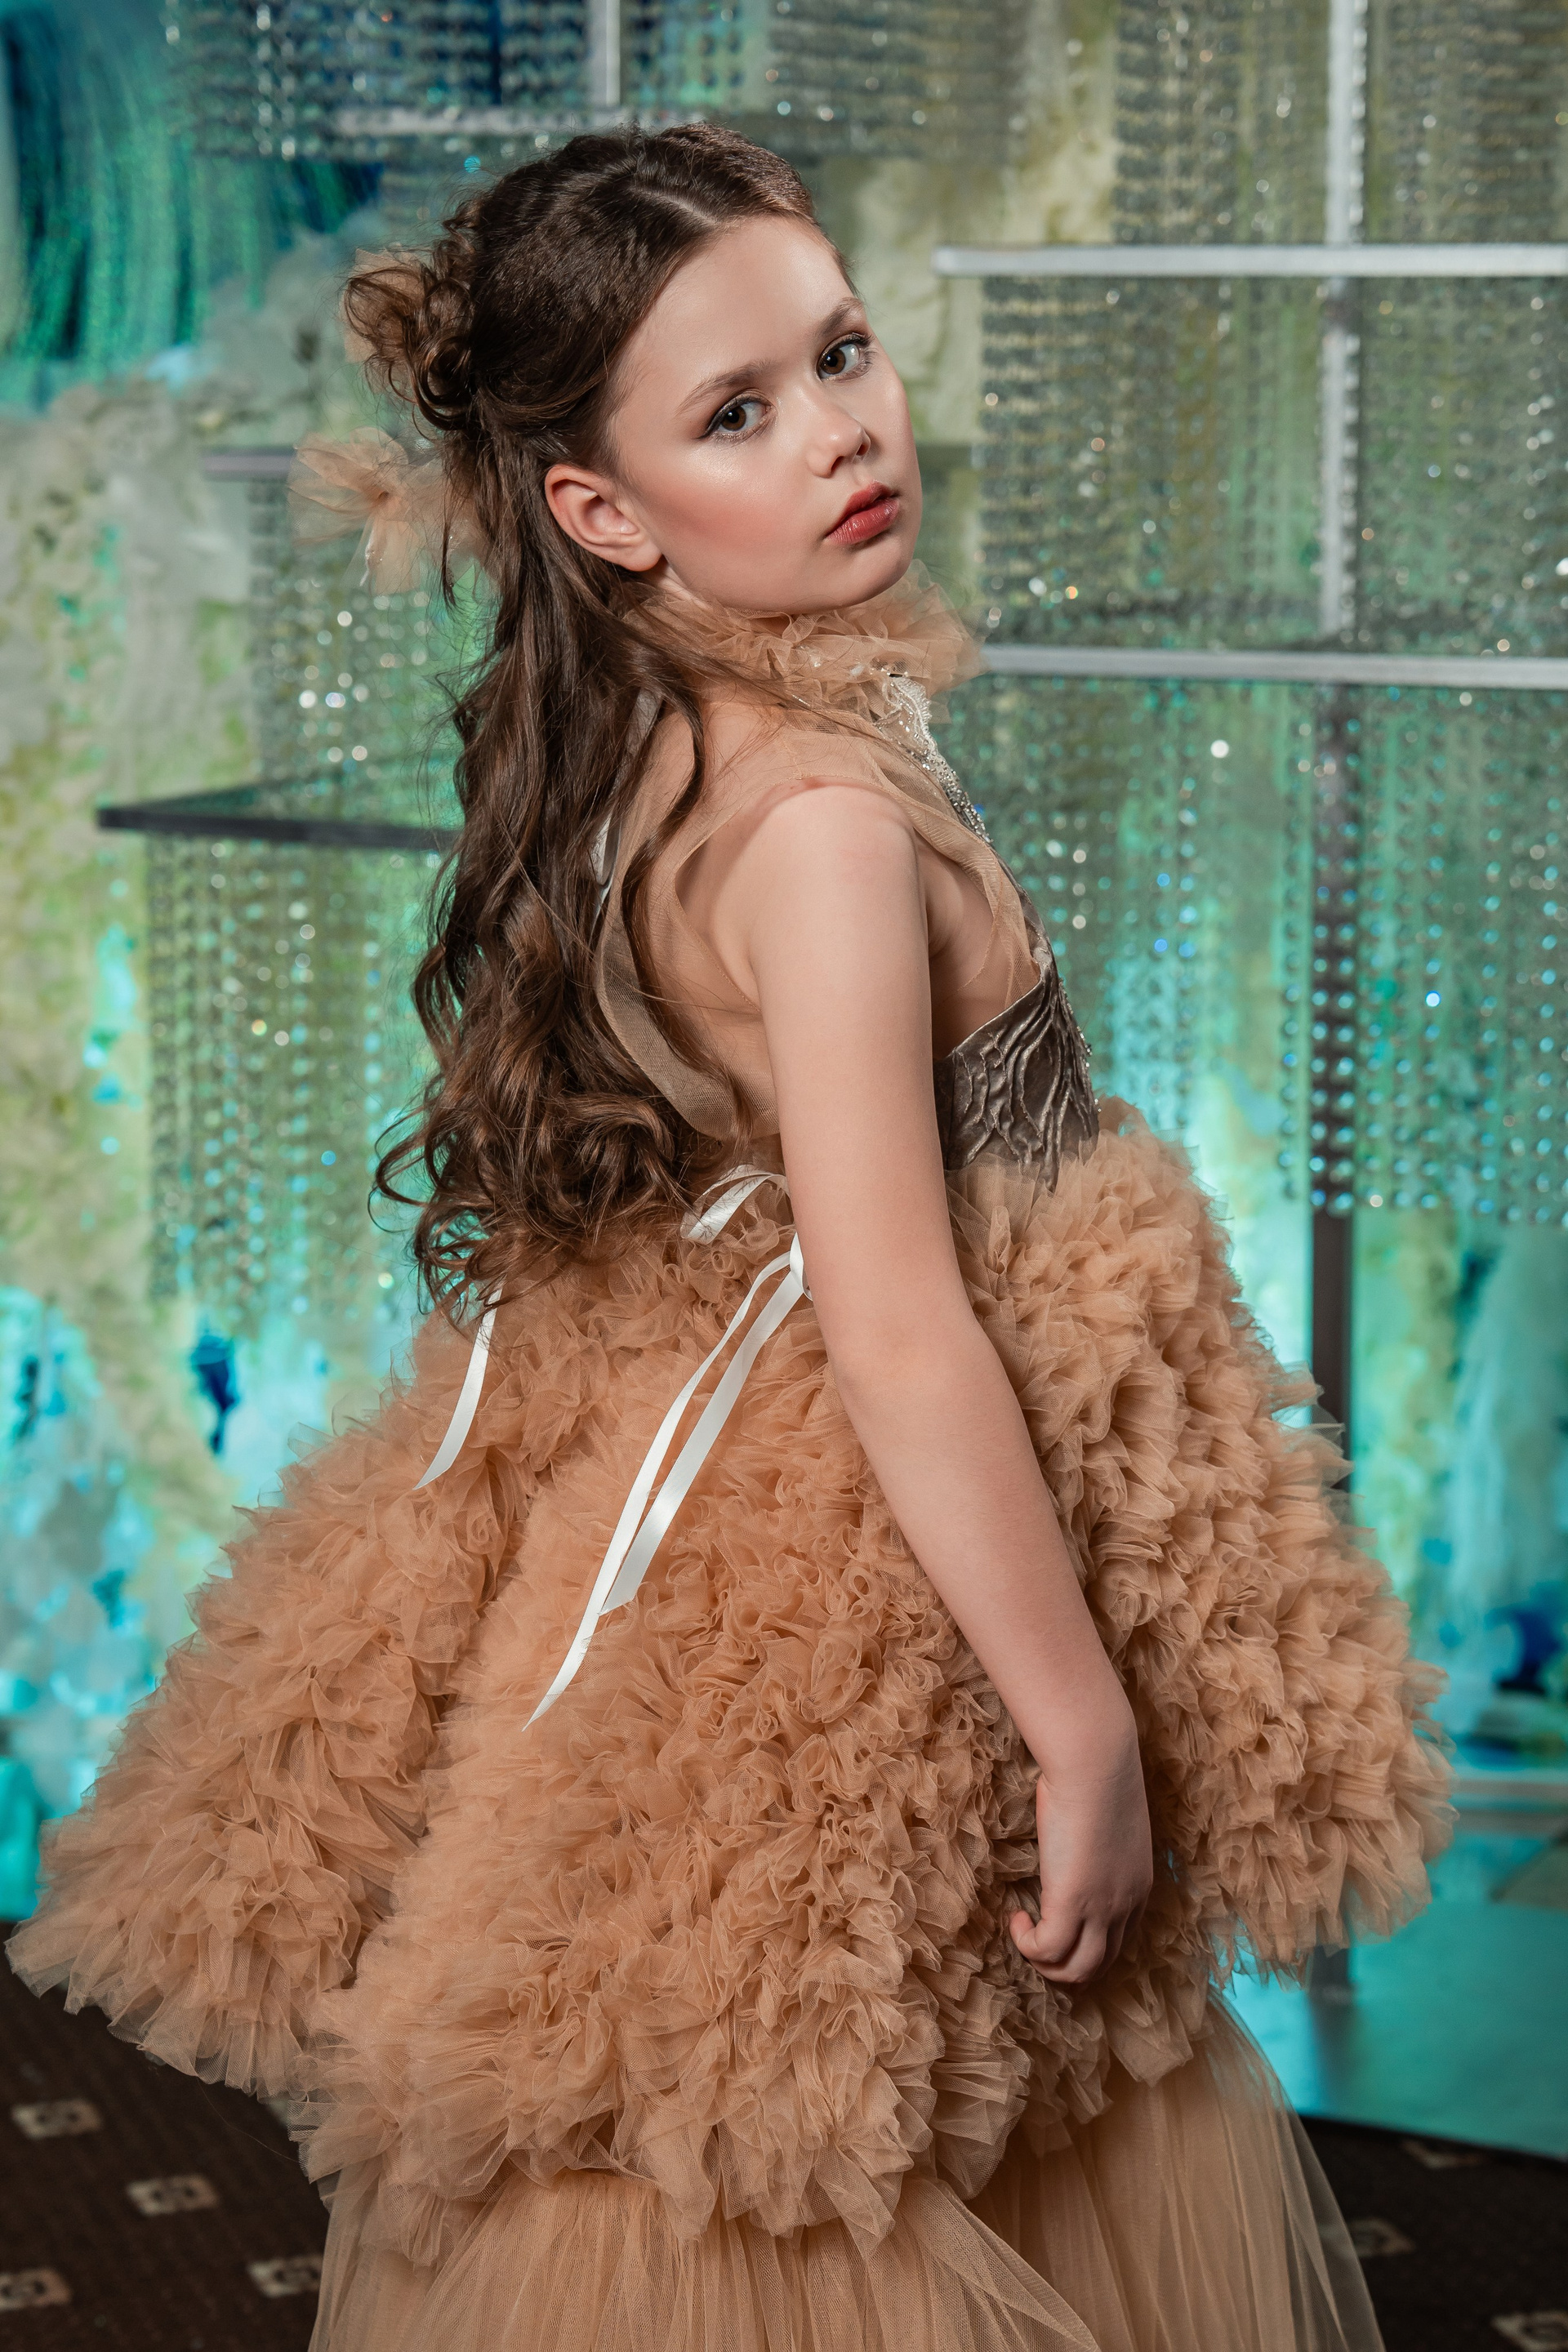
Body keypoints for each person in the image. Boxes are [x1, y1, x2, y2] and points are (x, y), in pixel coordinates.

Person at [8, 126, 1450, 2352]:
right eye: (739, 412)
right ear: (605, 511)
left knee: (922, 2084)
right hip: (875, 1547)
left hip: (757, 1465)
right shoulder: (821, 829)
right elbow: (898, 1324)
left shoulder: (692, 729)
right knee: (823, 2134)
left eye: (842, 352)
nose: (842, 431)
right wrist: (1083, 1727)